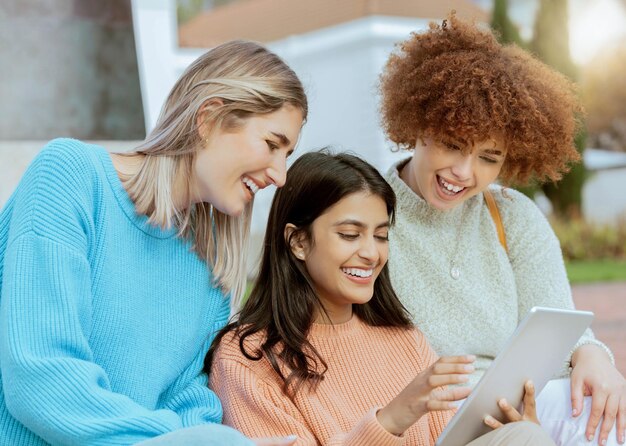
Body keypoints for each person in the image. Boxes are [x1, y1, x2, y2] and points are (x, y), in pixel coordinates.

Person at [0, 40, 306, 446]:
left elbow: (191, 406)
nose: (280, 176)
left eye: (288, 154)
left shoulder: (209, 265)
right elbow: (41, 378)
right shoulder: (70, 178)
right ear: (209, 118)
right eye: (272, 144)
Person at [378, 13, 626, 446]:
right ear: (418, 125)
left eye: (488, 157)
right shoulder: (367, 209)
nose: (463, 172)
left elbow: (561, 325)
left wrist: (594, 355)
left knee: (608, 411)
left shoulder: (511, 214)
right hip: (423, 417)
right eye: (453, 144)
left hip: (513, 401)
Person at [207, 150, 557, 445]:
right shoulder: (248, 359)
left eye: (380, 236)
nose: (371, 254)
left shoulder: (404, 339)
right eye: (349, 234)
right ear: (298, 242)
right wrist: (390, 421)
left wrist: (515, 434)